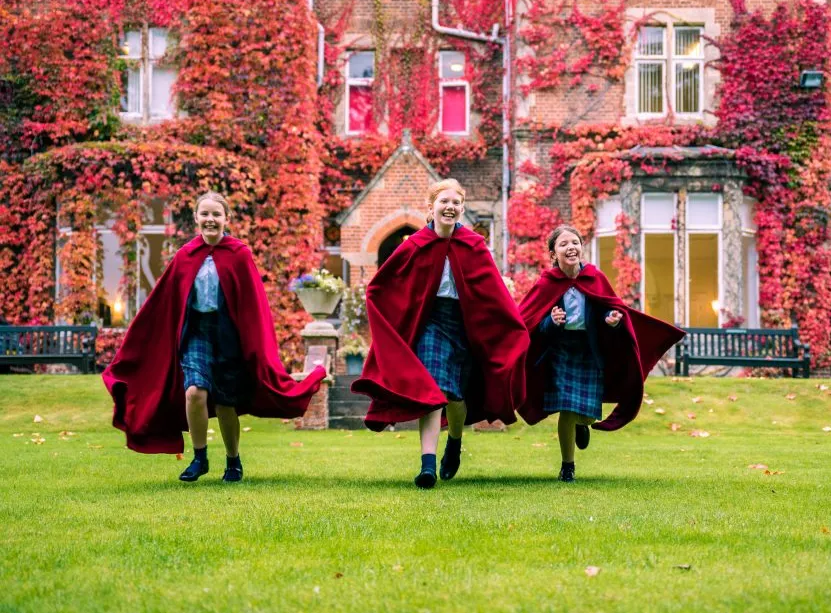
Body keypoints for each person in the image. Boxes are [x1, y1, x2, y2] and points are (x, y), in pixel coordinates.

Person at [102, 192, 326, 482]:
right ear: (196, 218)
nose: (210, 219)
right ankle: (200, 457)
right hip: (196, 332)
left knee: (224, 402)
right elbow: (163, 302)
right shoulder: (185, 256)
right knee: (195, 391)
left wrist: (256, 345)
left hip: (229, 334)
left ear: (226, 219)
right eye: (204, 214)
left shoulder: (239, 254)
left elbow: (252, 305)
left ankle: (233, 461)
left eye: (216, 214)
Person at [353, 179, 530, 488]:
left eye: (455, 203)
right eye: (444, 201)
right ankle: (427, 465)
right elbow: (382, 286)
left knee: (455, 397)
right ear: (431, 207)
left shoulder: (474, 245)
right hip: (430, 322)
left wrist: (509, 329)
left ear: (461, 209)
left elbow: (495, 293)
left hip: (465, 324)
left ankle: (455, 441)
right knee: (434, 390)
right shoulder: (414, 244)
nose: (450, 207)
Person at [518, 225, 685, 482]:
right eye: (563, 244)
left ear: (581, 247)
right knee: (565, 407)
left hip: (589, 350)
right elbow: (531, 322)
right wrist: (551, 320)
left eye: (574, 242)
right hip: (560, 351)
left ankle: (582, 424)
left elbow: (609, 309)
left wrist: (613, 320)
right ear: (553, 254)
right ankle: (567, 467)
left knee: (582, 412)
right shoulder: (547, 283)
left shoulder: (594, 277)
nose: (570, 247)